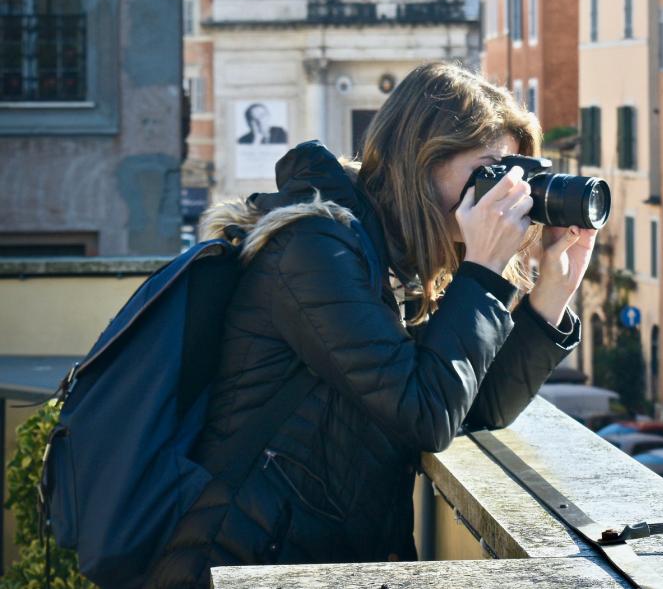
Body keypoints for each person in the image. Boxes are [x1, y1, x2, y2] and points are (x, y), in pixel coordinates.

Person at [148, 62, 595, 587]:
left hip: (310, 561)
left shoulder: (391, 259)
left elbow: (473, 406)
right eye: (490, 171)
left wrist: (552, 294)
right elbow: (424, 413)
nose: (508, 197)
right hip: (235, 564)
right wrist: (483, 274)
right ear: (421, 160)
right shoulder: (316, 250)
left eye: (516, 175)